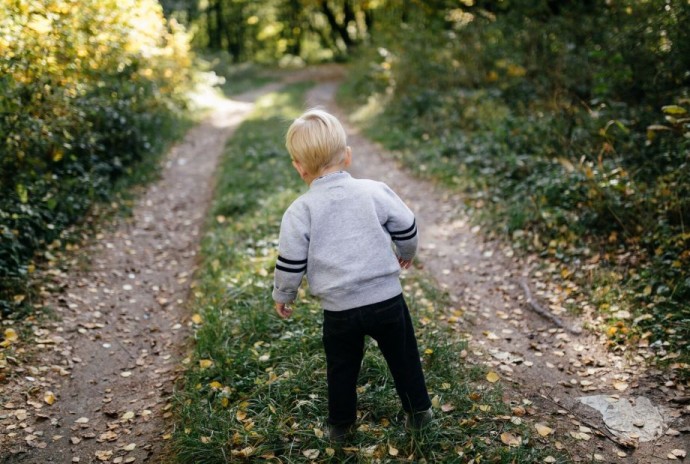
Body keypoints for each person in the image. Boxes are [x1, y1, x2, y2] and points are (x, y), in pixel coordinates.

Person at [272, 108, 432, 442]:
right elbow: (407, 225)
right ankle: (419, 412)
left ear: (298, 167)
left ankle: (341, 426)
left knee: (341, 369)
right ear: (347, 156)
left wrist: (284, 295)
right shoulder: (374, 191)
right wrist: (406, 253)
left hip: (340, 311)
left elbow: (290, 261)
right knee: (403, 357)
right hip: (386, 301)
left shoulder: (300, 211)